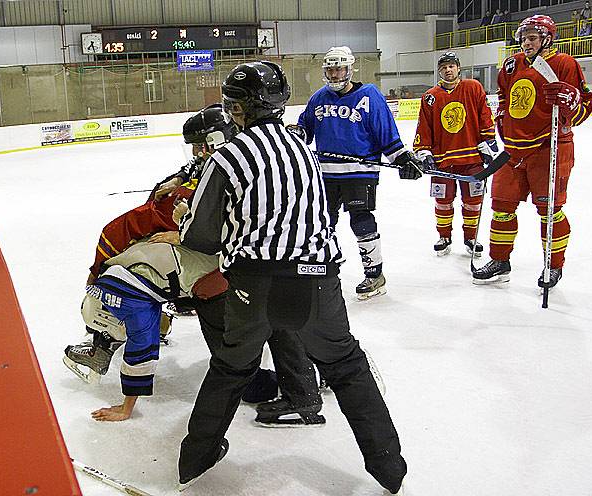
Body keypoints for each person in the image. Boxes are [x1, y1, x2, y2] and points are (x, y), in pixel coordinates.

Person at [176, 61, 406, 495]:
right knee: (346, 367)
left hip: (254, 281)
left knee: (231, 368)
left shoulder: (227, 156)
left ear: (238, 109)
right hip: (318, 278)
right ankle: (388, 467)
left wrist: (191, 219)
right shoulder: (305, 146)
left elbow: (201, 238)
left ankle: (195, 460)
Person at [67, 105, 322, 424]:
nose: (196, 153)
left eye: (199, 146)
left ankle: (302, 381)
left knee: (258, 333)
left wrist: (184, 232)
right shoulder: (235, 157)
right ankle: (310, 375)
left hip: (236, 267)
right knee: (266, 325)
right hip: (228, 268)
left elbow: (234, 223)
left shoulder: (235, 166)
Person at [290, 46, 425, 300]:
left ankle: (375, 275)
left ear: (349, 69)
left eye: (338, 68)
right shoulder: (319, 97)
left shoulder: (369, 95)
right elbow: (306, 130)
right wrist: (297, 133)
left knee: (361, 221)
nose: (334, 74)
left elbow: (386, 133)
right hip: (326, 174)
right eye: (330, 69)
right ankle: (323, 268)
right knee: (321, 222)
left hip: (359, 171)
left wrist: (402, 158)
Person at [473, 15, 592, 288]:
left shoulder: (564, 63)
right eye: (524, 37)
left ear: (547, 39)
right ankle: (500, 261)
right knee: (501, 207)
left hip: (549, 147)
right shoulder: (511, 64)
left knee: (549, 211)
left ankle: (553, 265)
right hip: (513, 151)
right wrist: (502, 120)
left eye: (533, 38)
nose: (526, 42)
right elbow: (504, 97)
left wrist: (571, 102)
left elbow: (584, 104)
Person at [414, 51, 495, 257]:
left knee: (473, 201)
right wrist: (424, 151)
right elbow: (424, 126)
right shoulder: (430, 97)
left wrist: (488, 143)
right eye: (443, 67)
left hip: (472, 157)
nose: (448, 70)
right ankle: (444, 236)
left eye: (451, 66)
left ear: (458, 68)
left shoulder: (473, 87)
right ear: (439, 71)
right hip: (442, 160)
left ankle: (470, 237)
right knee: (443, 201)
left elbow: (485, 115)